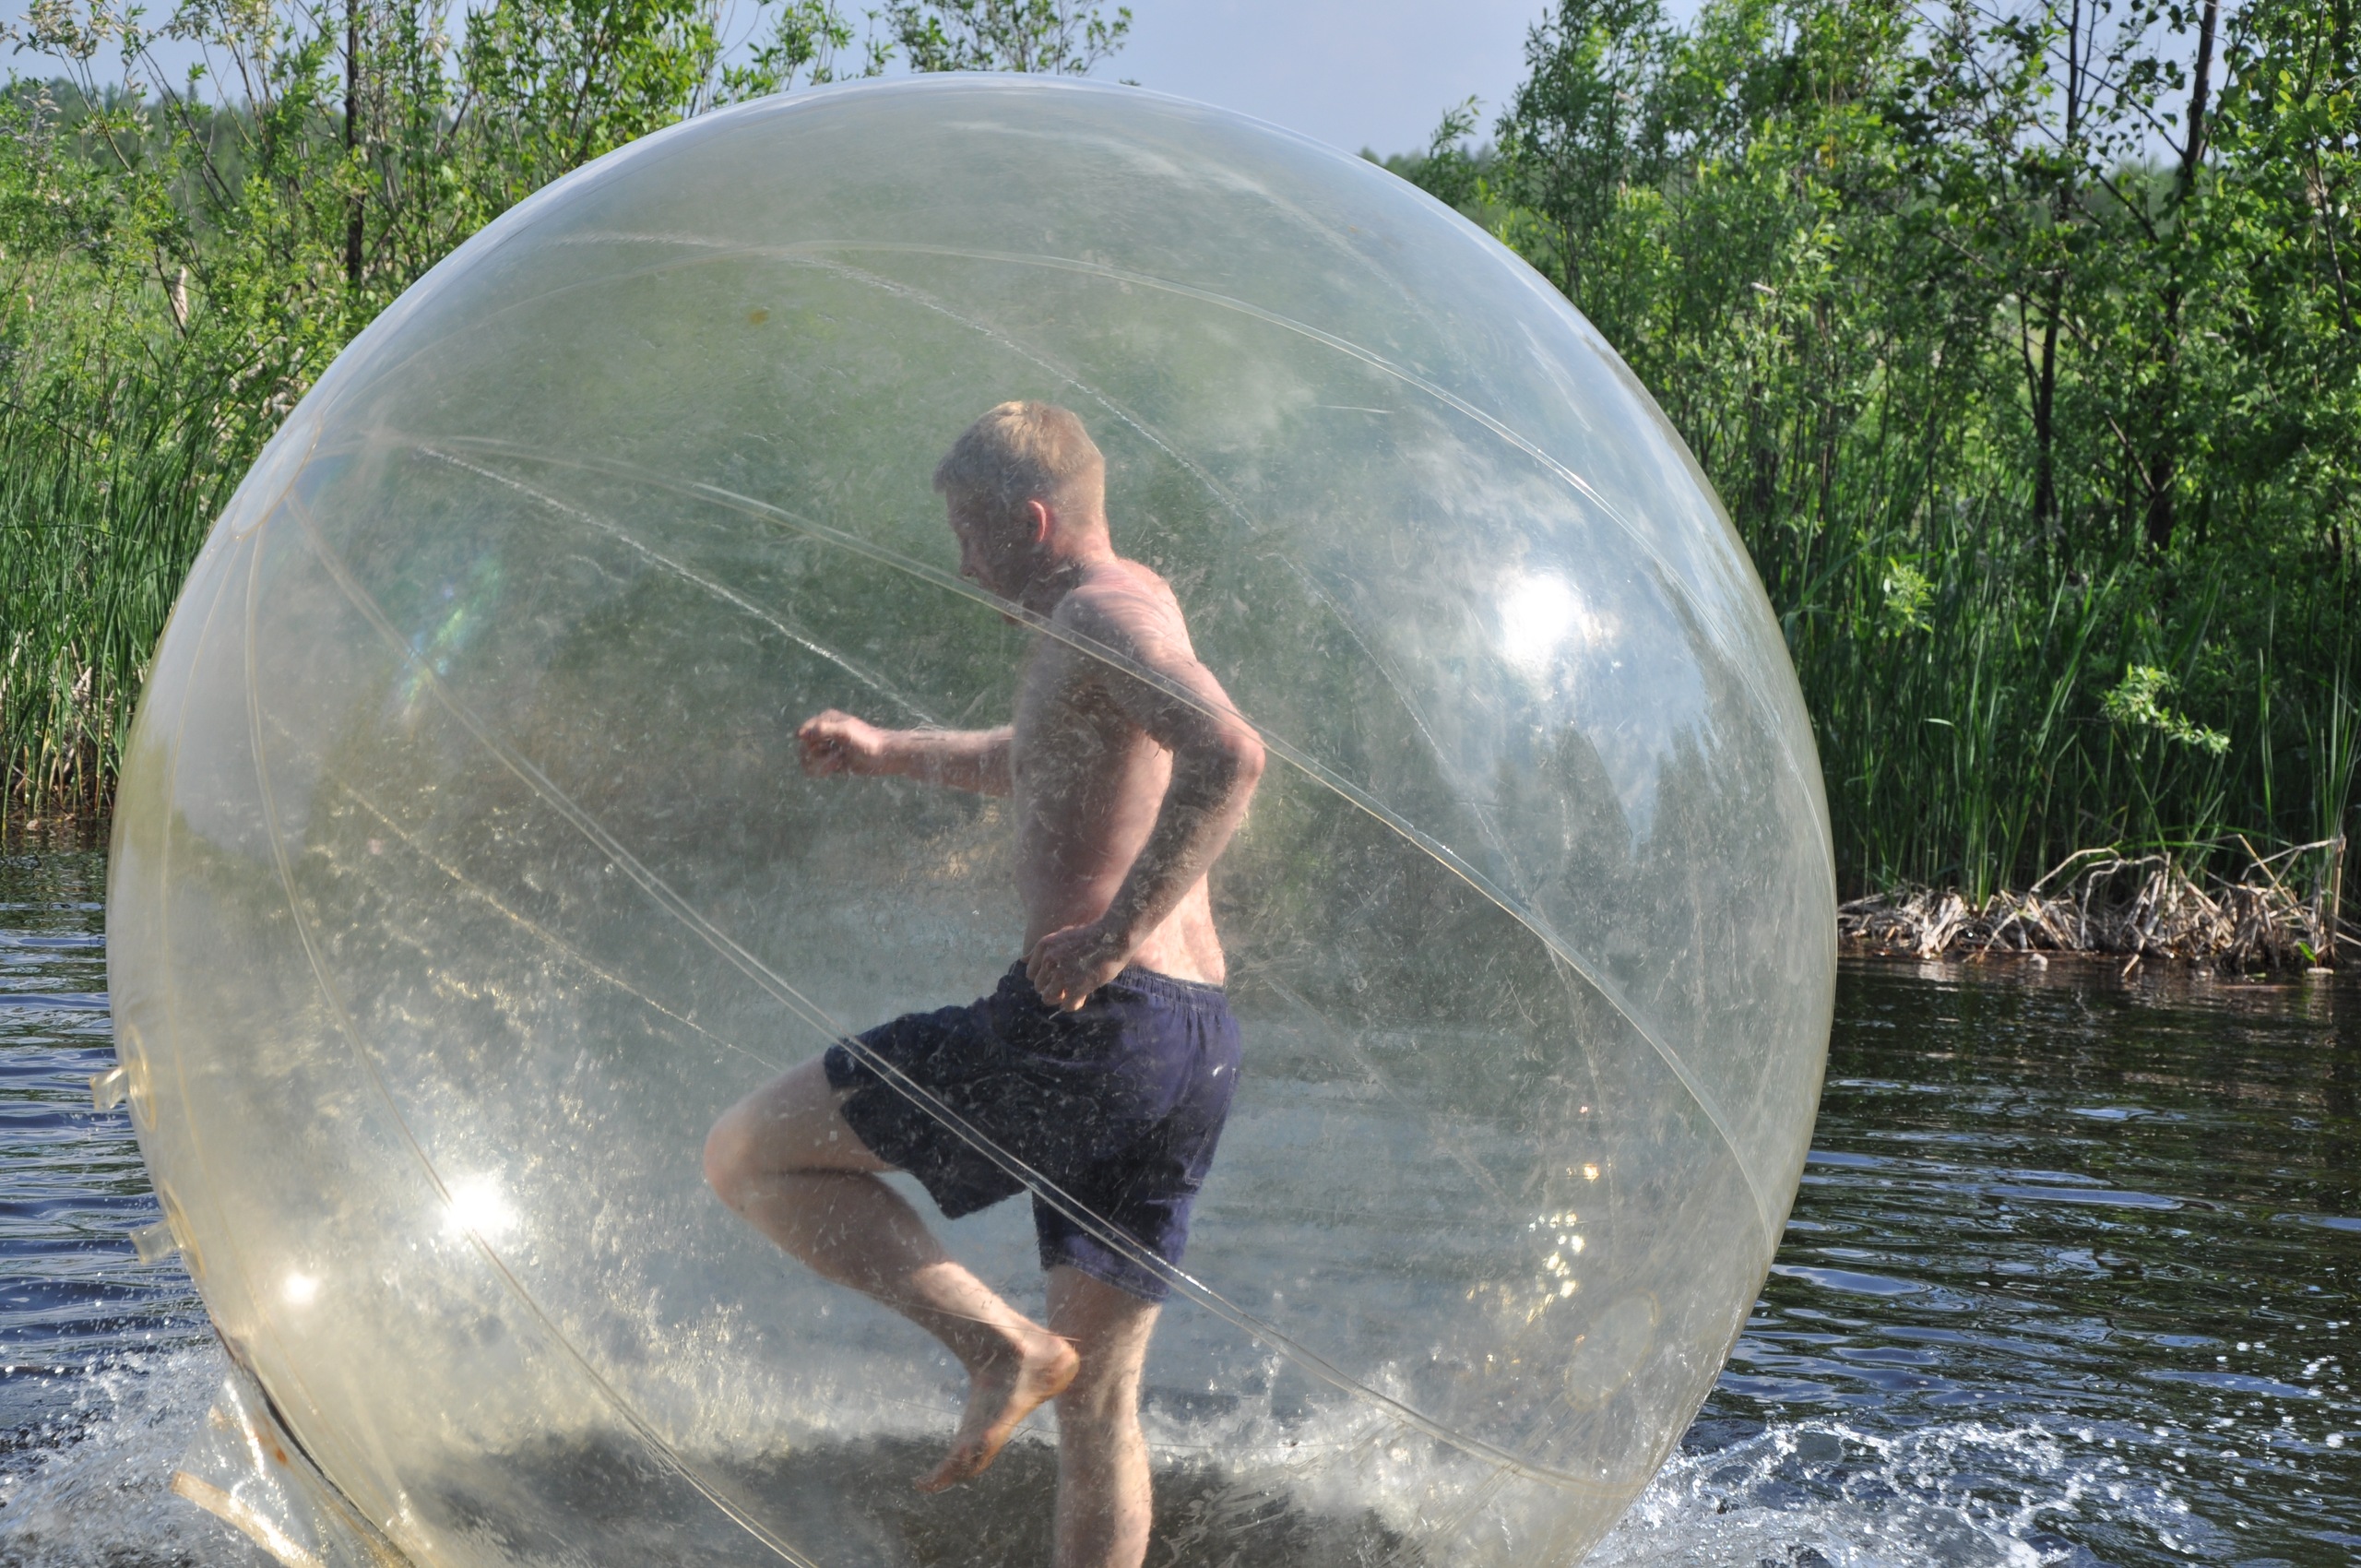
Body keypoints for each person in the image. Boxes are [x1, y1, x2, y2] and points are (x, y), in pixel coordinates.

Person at [704, 402, 1265, 1568]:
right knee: (1097, 1404)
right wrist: (886, 749)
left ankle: (994, 1344)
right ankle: (1020, 1358)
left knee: (749, 1153)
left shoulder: (1100, 612)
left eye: (969, 532)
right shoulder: (1129, 606)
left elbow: (1229, 751)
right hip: (1192, 1040)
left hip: (1099, 1021)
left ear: (1032, 519)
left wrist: (1112, 933)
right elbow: (1039, 757)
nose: (961, 564)